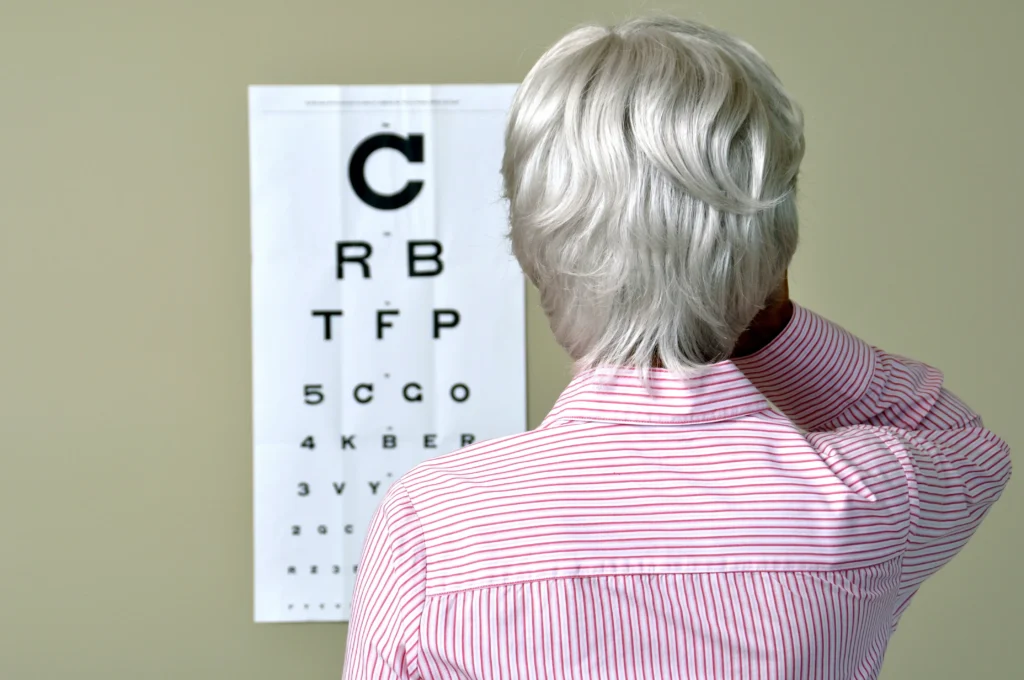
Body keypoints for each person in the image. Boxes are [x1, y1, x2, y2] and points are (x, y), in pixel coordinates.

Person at [342, 15, 1011, 680]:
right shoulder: (858, 497)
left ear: (535, 247)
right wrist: (771, 327)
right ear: (773, 250)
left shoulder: (434, 522)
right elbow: (967, 448)